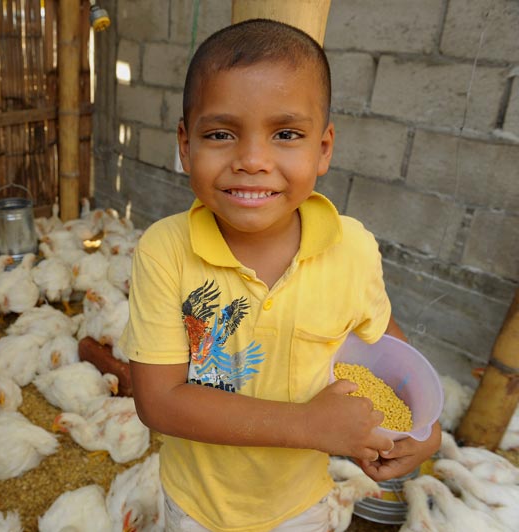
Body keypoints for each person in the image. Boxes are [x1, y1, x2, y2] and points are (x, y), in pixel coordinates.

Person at [118, 18, 441, 532]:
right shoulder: (167, 251)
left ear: (324, 149)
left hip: (300, 506)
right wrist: (309, 425)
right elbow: (157, 401)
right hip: (196, 505)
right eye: (221, 134)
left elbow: (380, 338)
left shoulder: (351, 247)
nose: (252, 160)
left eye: (286, 134)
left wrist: (422, 424)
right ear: (185, 144)